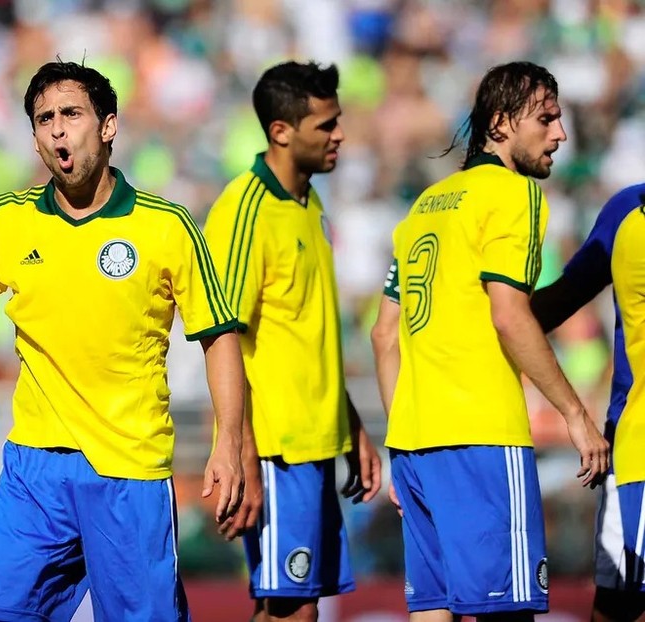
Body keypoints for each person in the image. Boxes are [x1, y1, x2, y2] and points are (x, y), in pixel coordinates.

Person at [0, 60, 246, 622]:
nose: (56, 129)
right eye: (43, 119)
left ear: (107, 126)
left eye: (71, 114)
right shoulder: (10, 221)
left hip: (128, 470)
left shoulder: (166, 226)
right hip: (34, 471)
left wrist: (229, 442)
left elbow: (218, 337)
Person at [369, 61, 610, 621]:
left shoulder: (423, 207)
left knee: (432, 611)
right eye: (546, 119)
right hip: (482, 436)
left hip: (413, 444)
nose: (560, 134)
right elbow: (509, 314)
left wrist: (399, 438)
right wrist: (575, 413)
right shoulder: (514, 196)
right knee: (509, 613)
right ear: (500, 123)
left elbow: (385, 335)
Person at [203, 61, 382, 622]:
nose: (340, 135)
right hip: (276, 446)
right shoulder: (244, 210)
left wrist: (351, 427)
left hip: (315, 441)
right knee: (292, 609)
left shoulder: (310, 206)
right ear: (282, 131)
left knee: (291, 606)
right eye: (326, 125)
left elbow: (310, 335)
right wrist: (243, 454)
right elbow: (221, 334)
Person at [529, 184, 645, 622]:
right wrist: (494, 323)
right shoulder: (627, 212)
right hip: (637, 451)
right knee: (621, 604)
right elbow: (560, 299)